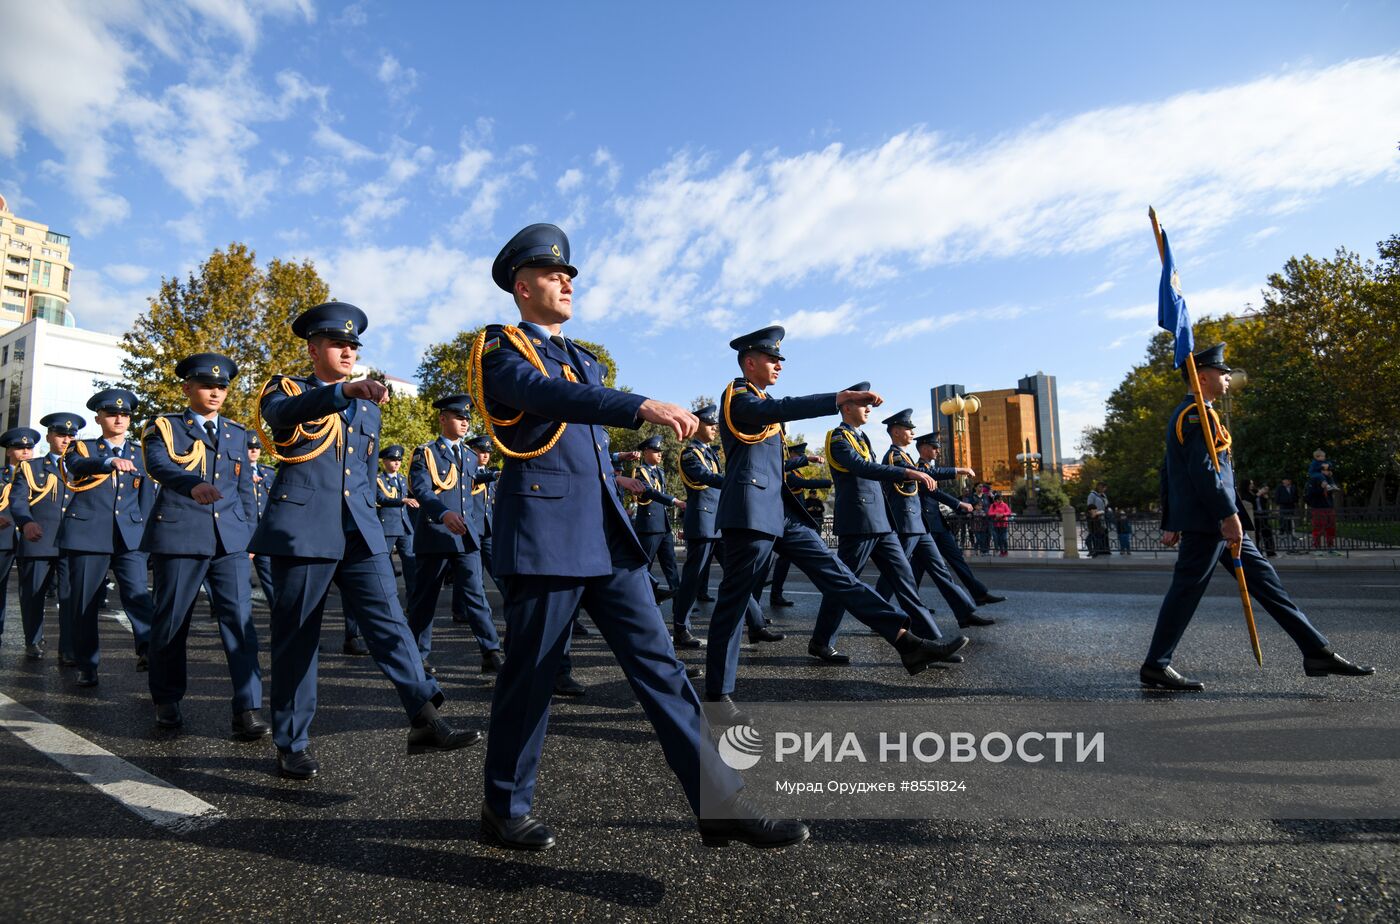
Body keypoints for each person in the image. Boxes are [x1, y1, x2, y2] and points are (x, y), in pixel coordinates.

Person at [473, 223, 804, 850]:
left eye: (569, 274)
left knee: (661, 667)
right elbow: (541, 396)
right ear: (521, 287)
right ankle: (503, 806)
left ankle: (719, 804)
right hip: (546, 535)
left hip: (607, 536)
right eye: (552, 274)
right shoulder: (499, 349)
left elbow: (585, 427)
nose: (567, 281)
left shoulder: (584, 358)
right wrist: (641, 405)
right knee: (531, 677)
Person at [249, 301, 480, 780]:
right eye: (339, 343)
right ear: (313, 349)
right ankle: (291, 742)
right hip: (303, 529)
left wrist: (353, 395)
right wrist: (340, 392)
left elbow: (363, 473)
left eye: (354, 345)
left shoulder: (366, 406)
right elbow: (282, 416)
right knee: (297, 638)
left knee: (391, 623)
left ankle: (425, 717)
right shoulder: (286, 388)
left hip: (359, 528)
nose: (349, 350)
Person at [709, 330, 968, 711]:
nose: (779, 365)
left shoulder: (762, 401)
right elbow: (776, 410)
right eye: (771, 359)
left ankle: (905, 640)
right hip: (749, 513)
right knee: (734, 602)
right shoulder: (738, 396)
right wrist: (837, 399)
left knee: (839, 575)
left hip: (781, 512)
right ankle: (717, 693)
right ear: (750, 362)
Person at [1140, 342, 1374, 690]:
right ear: (1203, 376)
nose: (1226, 378)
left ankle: (1316, 651)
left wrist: (1173, 520)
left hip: (1217, 522)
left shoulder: (1199, 412)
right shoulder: (1194, 415)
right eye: (1222, 373)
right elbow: (1203, 473)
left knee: (1268, 585)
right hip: (1211, 525)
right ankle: (1155, 666)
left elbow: (1168, 471)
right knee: (1185, 593)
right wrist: (1226, 514)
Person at [140, 352, 267, 738]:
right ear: (187, 388)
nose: (215, 392)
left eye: (222, 387)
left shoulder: (236, 432)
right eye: (207, 385)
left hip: (228, 540)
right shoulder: (164, 426)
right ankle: (167, 699)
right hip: (180, 536)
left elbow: (245, 489)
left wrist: (251, 535)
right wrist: (190, 483)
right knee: (172, 622)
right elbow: (158, 464)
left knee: (240, 624)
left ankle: (247, 707)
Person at [61, 388, 156, 687]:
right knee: (85, 603)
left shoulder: (141, 453)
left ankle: (148, 649)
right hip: (88, 534)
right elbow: (75, 468)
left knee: (139, 595)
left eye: (125, 414)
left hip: (130, 536)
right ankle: (87, 664)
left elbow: (146, 498)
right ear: (99, 417)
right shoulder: (83, 449)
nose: (119, 418)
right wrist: (107, 463)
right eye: (112, 413)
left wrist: (149, 538)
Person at [407, 395, 504, 674]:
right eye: (459, 417)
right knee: (425, 600)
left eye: (467, 419)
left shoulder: (471, 456)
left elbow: (469, 490)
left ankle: (490, 650)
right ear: (442, 419)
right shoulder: (426, 453)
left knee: (476, 596)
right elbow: (422, 490)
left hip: (466, 538)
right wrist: (442, 514)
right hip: (436, 534)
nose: (465, 422)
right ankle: (417, 655)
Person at [871, 409, 992, 631]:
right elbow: (926, 479)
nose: (912, 432)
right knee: (895, 573)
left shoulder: (904, 456)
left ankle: (965, 613)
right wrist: (958, 482)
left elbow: (926, 477)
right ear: (896, 432)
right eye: (908, 429)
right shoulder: (894, 456)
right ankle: (877, 615)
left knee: (940, 570)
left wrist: (956, 472)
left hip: (919, 525)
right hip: (905, 524)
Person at [672, 405, 774, 649]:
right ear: (697, 427)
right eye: (710, 424)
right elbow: (705, 478)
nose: (715, 428)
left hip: (718, 523)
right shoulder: (690, 454)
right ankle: (680, 628)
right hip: (702, 522)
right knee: (693, 580)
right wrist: (736, 480)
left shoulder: (710, 454)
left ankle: (756, 625)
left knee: (739, 575)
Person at [10, 413, 79, 660]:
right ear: (50, 436)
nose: (66, 439)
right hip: (38, 540)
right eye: (61, 434)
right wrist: (26, 523)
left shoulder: (84, 467)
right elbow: (17, 501)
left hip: (73, 541)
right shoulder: (31, 467)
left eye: (71, 435)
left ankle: (68, 648)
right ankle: (33, 639)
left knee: (70, 597)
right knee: (33, 595)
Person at [912, 434, 1006, 606]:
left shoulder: (926, 469)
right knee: (917, 568)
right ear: (924, 448)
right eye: (934, 448)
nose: (938, 451)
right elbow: (934, 492)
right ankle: (910, 608)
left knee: (957, 560)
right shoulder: (919, 468)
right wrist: (959, 502)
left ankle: (979, 594)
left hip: (938, 525)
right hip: (926, 526)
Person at [767, 441, 832, 607]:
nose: (802, 457)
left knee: (784, 561)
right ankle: (771, 596)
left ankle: (775, 595)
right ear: (791, 455)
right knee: (772, 563)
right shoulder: (787, 473)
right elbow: (805, 484)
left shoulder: (795, 471)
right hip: (785, 522)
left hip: (795, 521)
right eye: (799, 455)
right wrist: (829, 482)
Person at [632, 434, 684, 600]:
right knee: (644, 567)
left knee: (671, 566)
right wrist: (674, 500)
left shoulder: (660, 471)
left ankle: (680, 605)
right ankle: (644, 599)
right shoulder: (640, 472)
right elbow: (649, 491)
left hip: (664, 526)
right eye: (656, 450)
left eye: (660, 451)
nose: (660, 454)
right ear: (646, 451)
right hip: (649, 526)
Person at [0, 428, 35, 651]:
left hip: (33, 540)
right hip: (4, 539)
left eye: (28, 448)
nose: (25, 452)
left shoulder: (43, 475)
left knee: (33, 592)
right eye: (19, 448)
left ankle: (33, 639)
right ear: (9, 451)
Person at [376, 444, 418, 604]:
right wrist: (402, 500)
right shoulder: (378, 480)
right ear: (384, 461)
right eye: (393, 460)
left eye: (399, 460)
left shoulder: (402, 479)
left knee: (411, 563)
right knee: (385, 565)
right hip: (388, 527)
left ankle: (413, 600)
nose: (396, 463)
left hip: (404, 526)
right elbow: (381, 499)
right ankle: (388, 599)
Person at [246, 432, 278, 607]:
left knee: (269, 578)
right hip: (243, 532)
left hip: (262, 533)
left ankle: (278, 615)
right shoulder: (235, 470)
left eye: (257, 447)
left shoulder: (267, 472)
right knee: (240, 582)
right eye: (250, 447)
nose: (254, 451)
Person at [1306, 463, 1340, 556]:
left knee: (1331, 528)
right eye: (1325, 470)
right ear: (1321, 470)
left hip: (1328, 507)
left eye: (1329, 470)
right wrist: (1321, 488)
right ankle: (1316, 548)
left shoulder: (1329, 479)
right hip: (1318, 507)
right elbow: (1310, 494)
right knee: (1318, 528)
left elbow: (1332, 489)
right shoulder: (1314, 479)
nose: (1328, 472)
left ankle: (1331, 547)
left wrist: (1330, 484)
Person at [1249, 481, 1276, 558]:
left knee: (1267, 533)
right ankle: (1257, 551)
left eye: (1252, 483)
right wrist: (1258, 494)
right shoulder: (1248, 493)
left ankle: (1270, 551)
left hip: (1263, 515)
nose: (1252, 485)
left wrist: (1264, 496)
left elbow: (1263, 502)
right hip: (1255, 517)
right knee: (1256, 535)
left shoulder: (1255, 491)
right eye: (1250, 484)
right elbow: (1250, 501)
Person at [1274, 478, 1299, 552]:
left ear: (1289, 481)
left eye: (1286, 480)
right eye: (1284, 480)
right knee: (1283, 518)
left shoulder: (1293, 487)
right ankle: (1282, 530)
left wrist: (1293, 500)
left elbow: (1296, 496)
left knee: (1290, 519)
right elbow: (1277, 497)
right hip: (1283, 505)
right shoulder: (1280, 488)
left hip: (1291, 506)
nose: (1284, 482)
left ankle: (1290, 532)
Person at [987, 492, 1012, 557]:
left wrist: (1003, 514)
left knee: (1004, 538)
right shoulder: (993, 505)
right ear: (996, 500)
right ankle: (1001, 551)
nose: (1000, 501)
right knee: (999, 538)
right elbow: (989, 513)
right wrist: (996, 514)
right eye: (998, 499)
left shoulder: (1005, 505)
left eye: (1001, 499)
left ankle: (1005, 551)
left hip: (1004, 524)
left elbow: (1009, 512)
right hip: (996, 524)